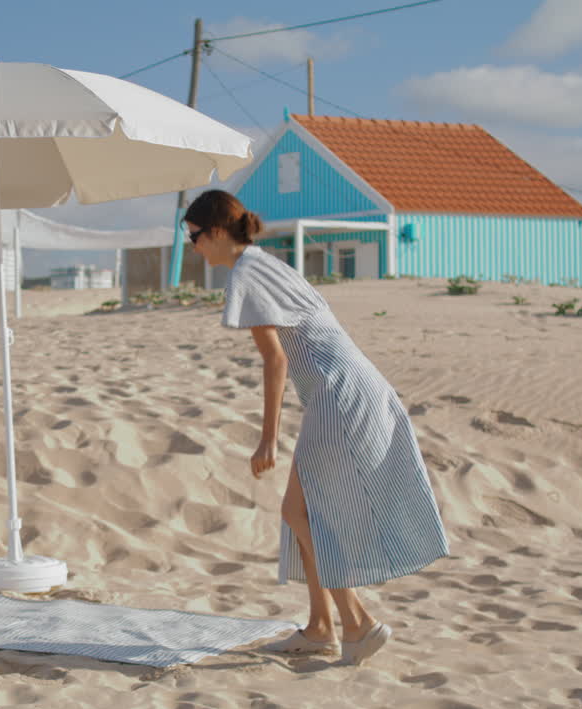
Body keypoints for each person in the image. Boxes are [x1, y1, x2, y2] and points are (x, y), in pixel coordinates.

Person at [184, 189, 448, 666]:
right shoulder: (262, 262)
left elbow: (275, 360)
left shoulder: (247, 273)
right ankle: (320, 627)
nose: (193, 247)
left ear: (218, 232)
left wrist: (268, 438)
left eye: (195, 237)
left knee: (303, 512)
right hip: (346, 387)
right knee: (301, 511)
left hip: (337, 394)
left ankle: (356, 622)